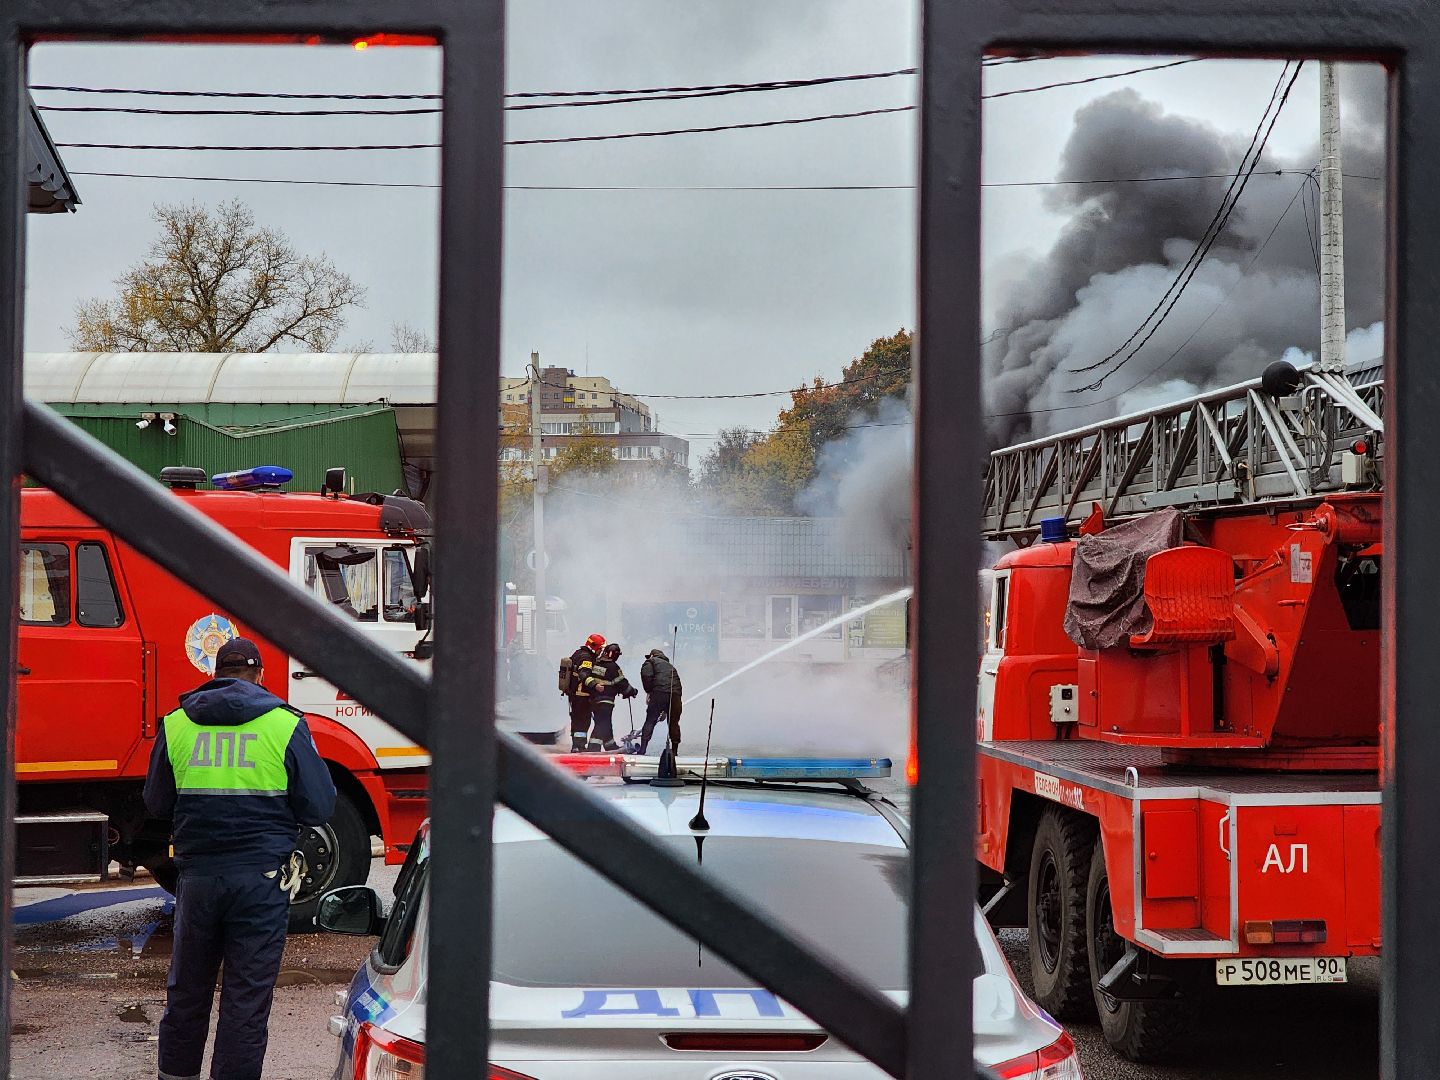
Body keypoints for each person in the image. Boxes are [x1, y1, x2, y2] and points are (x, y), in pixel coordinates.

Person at [144, 637, 336, 1080]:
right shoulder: (284, 724)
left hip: (198, 878)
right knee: (246, 1000)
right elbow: (319, 807)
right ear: (260, 676)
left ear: (214, 674)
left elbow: (156, 803)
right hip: (261, 879)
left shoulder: (177, 723)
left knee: (187, 991)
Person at [588, 642, 639, 752]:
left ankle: (609, 745)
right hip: (606, 699)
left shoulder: (596, 664)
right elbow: (622, 683)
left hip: (594, 699)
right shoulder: (613, 666)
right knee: (603, 723)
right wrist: (632, 691)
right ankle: (594, 747)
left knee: (604, 722)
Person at [639, 647, 684, 756]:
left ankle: (642, 749)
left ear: (652, 655)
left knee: (650, 720)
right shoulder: (671, 666)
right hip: (676, 695)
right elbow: (678, 684)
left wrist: (649, 692)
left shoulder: (650, 662)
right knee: (673, 723)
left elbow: (646, 676)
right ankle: (675, 751)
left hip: (659, 693)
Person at [566, 633, 607, 752]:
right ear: (594, 647)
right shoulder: (586, 658)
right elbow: (584, 674)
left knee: (577, 719)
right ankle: (579, 746)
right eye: (600, 648)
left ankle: (576, 745)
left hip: (575, 694)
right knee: (583, 721)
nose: (601, 651)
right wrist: (595, 685)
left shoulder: (578, 653)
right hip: (582, 695)